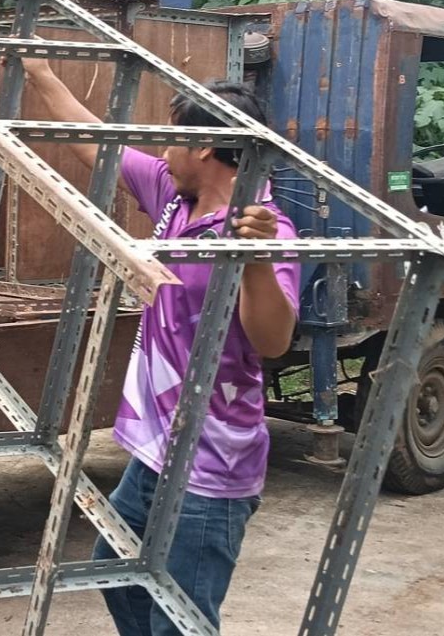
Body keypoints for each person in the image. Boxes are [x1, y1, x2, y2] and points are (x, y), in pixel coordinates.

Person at [22, 57, 300, 635]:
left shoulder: (265, 228)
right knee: (115, 568)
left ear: (203, 146)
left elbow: (272, 341)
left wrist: (255, 260)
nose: (164, 151)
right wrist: (41, 72)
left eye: (173, 139)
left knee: (183, 618)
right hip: (157, 451)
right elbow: (96, 143)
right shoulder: (176, 200)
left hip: (211, 465)